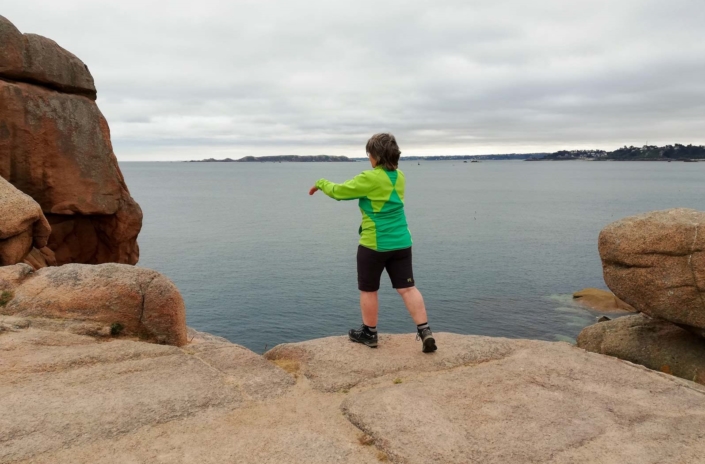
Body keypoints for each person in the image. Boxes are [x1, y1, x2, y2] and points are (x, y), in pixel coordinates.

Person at [308, 133, 437, 353]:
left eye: (369, 154)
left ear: (375, 156)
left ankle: (369, 333)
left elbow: (339, 192)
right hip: (402, 243)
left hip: (373, 245)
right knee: (407, 288)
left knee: (369, 290)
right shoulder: (401, 176)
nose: (369, 158)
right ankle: (424, 331)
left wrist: (321, 183)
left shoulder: (370, 178)